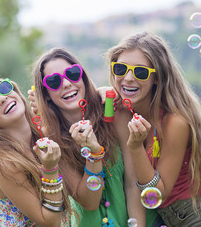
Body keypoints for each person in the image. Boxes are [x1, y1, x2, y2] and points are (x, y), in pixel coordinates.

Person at [106, 31, 201, 226]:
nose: (127, 78)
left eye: (140, 72)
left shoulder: (175, 122)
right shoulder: (126, 111)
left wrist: (136, 148)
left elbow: (158, 192)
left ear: (158, 78)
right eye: (120, 69)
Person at [29, 47, 163, 227]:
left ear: (83, 77)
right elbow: (89, 202)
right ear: (45, 95)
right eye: (54, 81)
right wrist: (93, 152)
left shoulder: (114, 114)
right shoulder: (51, 139)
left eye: (73, 73)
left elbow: (132, 183)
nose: (67, 83)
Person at [0, 75, 71, 227]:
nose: (2, 98)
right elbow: (50, 223)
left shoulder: (44, 137)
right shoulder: (2, 164)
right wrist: (50, 169)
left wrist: (104, 94)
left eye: (3, 88)